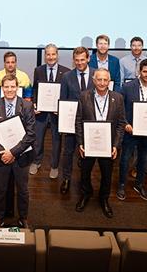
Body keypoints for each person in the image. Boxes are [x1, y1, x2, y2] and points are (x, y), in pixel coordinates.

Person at [0, 75, 35, 228]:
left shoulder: (26, 106)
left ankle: (23, 218)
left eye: (13, 86)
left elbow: (31, 133)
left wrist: (13, 152)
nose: (9, 90)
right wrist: (3, 152)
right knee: (0, 189)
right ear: (2, 88)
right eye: (6, 87)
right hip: (1, 157)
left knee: (23, 190)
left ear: (17, 88)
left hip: (21, 156)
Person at [75, 68, 126, 218]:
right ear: (94, 80)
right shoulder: (84, 96)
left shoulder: (118, 98)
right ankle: (86, 194)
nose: (102, 83)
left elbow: (121, 124)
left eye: (105, 80)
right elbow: (78, 122)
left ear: (109, 81)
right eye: (99, 79)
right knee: (85, 173)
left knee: (107, 175)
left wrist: (116, 145)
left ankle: (104, 199)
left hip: (108, 145)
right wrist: (80, 144)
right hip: (88, 144)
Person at [118, 58, 147, 201]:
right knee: (125, 159)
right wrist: (125, 124)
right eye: (144, 71)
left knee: (143, 160)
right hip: (130, 131)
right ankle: (121, 185)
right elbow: (121, 108)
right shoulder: (127, 87)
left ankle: (139, 184)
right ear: (139, 71)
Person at [58, 46, 94, 195]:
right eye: (77, 60)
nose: (80, 63)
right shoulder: (67, 77)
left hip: (91, 122)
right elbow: (63, 99)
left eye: (82, 60)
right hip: (71, 122)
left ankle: (85, 181)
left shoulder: (95, 75)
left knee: (88, 153)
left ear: (88, 59)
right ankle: (66, 179)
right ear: (73, 60)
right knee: (68, 152)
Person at [29, 44, 69, 177]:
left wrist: (62, 107)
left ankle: (54, 166)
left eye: (53, 54)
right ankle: (36, 161)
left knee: (56, 141)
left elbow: (66, 93)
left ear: (57, 55)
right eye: (48, 54)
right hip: (41, 113)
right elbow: (35, 88)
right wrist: (35, 103)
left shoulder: (66, 72)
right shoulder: (38, 70)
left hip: (57, 114)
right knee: (38, 139)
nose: (50, 57)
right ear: (45, 56)